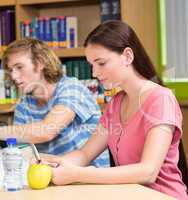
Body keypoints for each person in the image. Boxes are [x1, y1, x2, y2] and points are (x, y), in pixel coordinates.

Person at [41, 20, 187, 199]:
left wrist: (76, 174)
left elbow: (148, 171)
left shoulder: (161, 99)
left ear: (127, 56)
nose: (94, 73)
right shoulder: (116, 103)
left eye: (101, 63)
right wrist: (52, 163)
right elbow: (85, 154)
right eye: (91, 65)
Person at [0, 38, 109, 167]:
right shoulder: (24, 105)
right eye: (10, 70)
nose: (13, 76)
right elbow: (23, 150)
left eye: (19, 67)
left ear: (41, 62)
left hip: (90, 178)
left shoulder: (72, 88)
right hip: (53, 177)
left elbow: (47, 131)